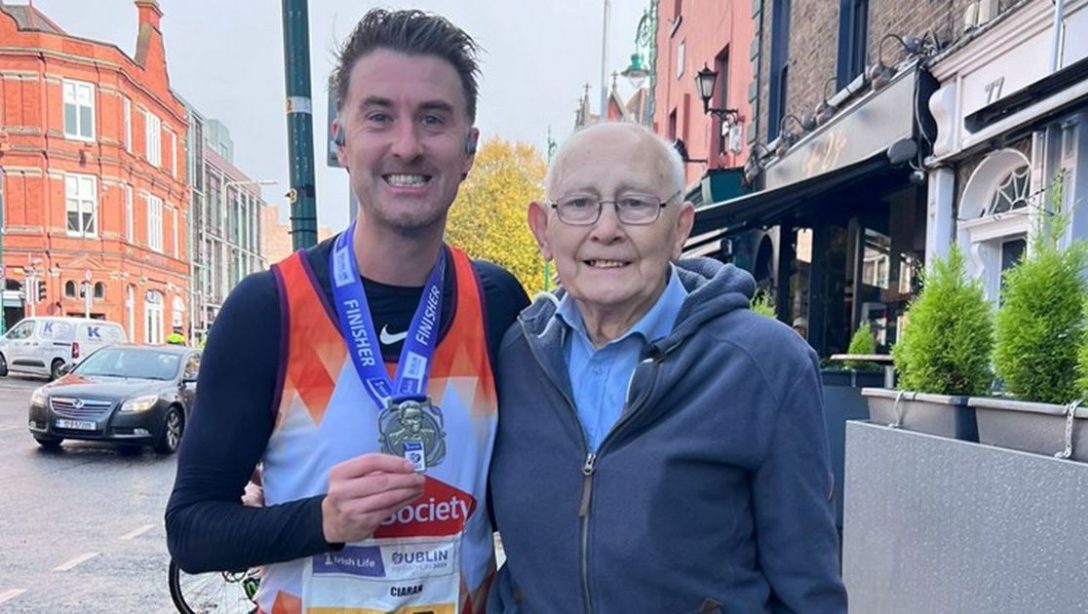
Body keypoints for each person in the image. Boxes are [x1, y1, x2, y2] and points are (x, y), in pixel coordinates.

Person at [165, 9, 528, 614]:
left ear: (468, 148)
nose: (407, 145)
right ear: (340, 141)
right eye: (379, 116)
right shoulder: (266, 309)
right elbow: (192, 531)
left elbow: (539, 490)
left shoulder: (496, 303)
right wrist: (323, 519)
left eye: (433, 119)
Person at [488, 122, 847, 612]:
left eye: (636, 203)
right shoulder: (515, 356)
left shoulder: (766, 365)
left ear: (680, 228)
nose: (606, 229)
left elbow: (808, 590)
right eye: (578, 204)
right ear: (543, 229)